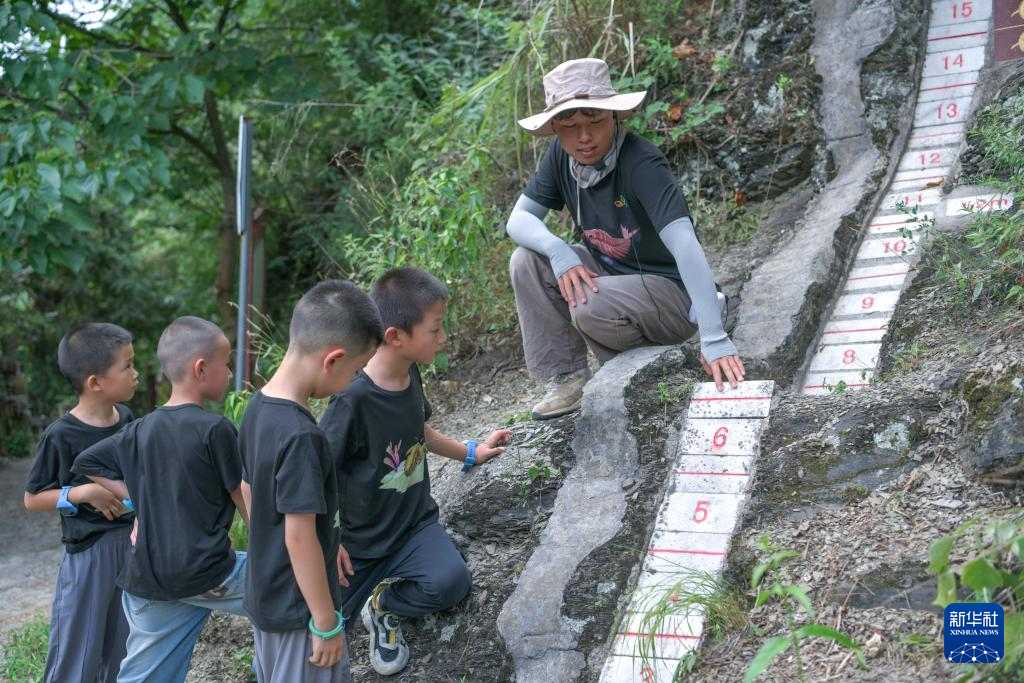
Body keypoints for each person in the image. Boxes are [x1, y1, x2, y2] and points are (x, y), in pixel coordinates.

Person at [507, 57, 746, 419]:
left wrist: (713, 336)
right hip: (615, 283)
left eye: (595, 122)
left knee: (590, 306)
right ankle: (569, 378)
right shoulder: (561, 157)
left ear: (614, 117)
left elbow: (684, 242)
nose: (583, 137)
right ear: (555, 127)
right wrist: (557, 250)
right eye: (569, 126)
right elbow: (519, 219)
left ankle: (646, 365)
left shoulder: (641, 162)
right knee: (526, 261)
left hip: (673, 295)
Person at [320, 267, 512, 676]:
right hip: (357, 547)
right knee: (319, 632)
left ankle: (384, 607)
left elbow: (417, 431)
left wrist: (470, 451)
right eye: (435, 329)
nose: (443, 339)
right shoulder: (350, 401)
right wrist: (328, 538)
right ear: (395, 336)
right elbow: (318, 472)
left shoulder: (410, 374)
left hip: (412, 526)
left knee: (451, 584)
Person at [71, 316, 250, 683]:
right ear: (201, 369)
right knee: (293, 589)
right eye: (227, 362)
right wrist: (274, 548)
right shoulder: (215, 429)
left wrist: (138, 494)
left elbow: (85, 462)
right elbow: (243, 498)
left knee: (143, 677)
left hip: (146, 579)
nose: (230, 372)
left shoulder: (138, 430)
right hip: (207, 572)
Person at [240, 280, 382, 683]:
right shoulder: (302, 436)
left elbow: (253, 492)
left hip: (269, 595)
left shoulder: (259, 408)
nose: (354, 381)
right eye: (356, 371)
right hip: (300, 612)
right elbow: (297, 536)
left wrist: (326, 543)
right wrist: (325, 621)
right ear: (332, 359)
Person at [23, 322, 138, 682]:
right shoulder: (61, 435)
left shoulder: (128, 421)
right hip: (89, 555)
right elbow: (32, 499)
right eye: (128, 366)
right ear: (95, 382)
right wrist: (81, 493)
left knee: (124, 647)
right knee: (78, 646)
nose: (136, 374)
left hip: (131, 547)